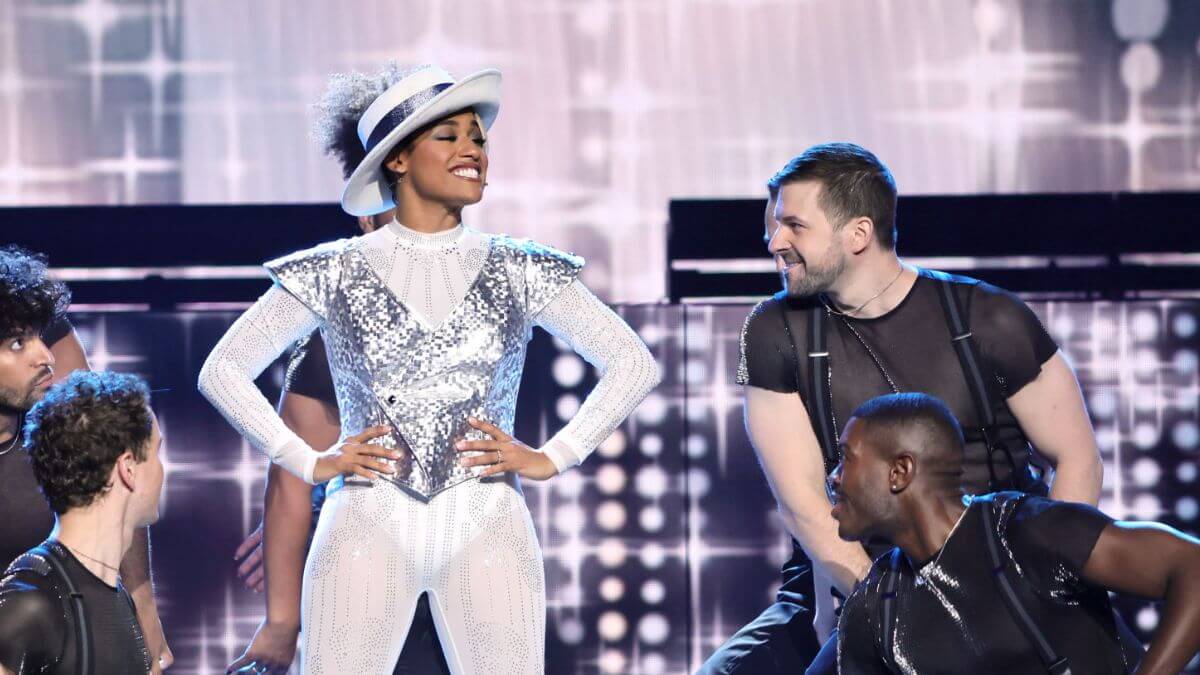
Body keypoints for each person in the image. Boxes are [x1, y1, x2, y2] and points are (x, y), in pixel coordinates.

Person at [199, 62, 661, 672]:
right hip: (364, 520)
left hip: (489, 519)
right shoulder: (333, 269)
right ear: (397, 159)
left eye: (479, 137)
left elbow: (632, 361)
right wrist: (308, 460)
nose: (474, 149)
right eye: (450, 136)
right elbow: (223, 370)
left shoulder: (519, 267)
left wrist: (555, 455)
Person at [702, 143, 1103, 673]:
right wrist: (892, 609)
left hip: (1004, 570)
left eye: (795, 226)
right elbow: (804, 504)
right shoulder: (776, 330)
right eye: (775, 224)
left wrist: (1045, 584)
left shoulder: (989, 317)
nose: (775, 242)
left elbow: (1078, 459)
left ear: (859, 235)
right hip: (854, 575)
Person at [226, 70, 448, 675]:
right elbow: (291, 478)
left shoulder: (488, 294)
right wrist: (281, 620)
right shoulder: (336, 327)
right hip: (368, 576)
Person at [829, 392, 1200, 674]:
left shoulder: (1025, 531)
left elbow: (1192, 567)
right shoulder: (874, 607)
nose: (833, 477)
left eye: (847, 458)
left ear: (900, 472)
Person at [0, 245, 172, 671]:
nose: (46, 357)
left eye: (41, 335)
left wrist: (141, 599)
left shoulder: (58, 430)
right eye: (19, 342)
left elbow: (118, 478)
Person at [0, 370, 167, 675]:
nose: (161, 471)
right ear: (127, 468)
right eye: (157, 453)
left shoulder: (115, 595)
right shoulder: (31, 598)